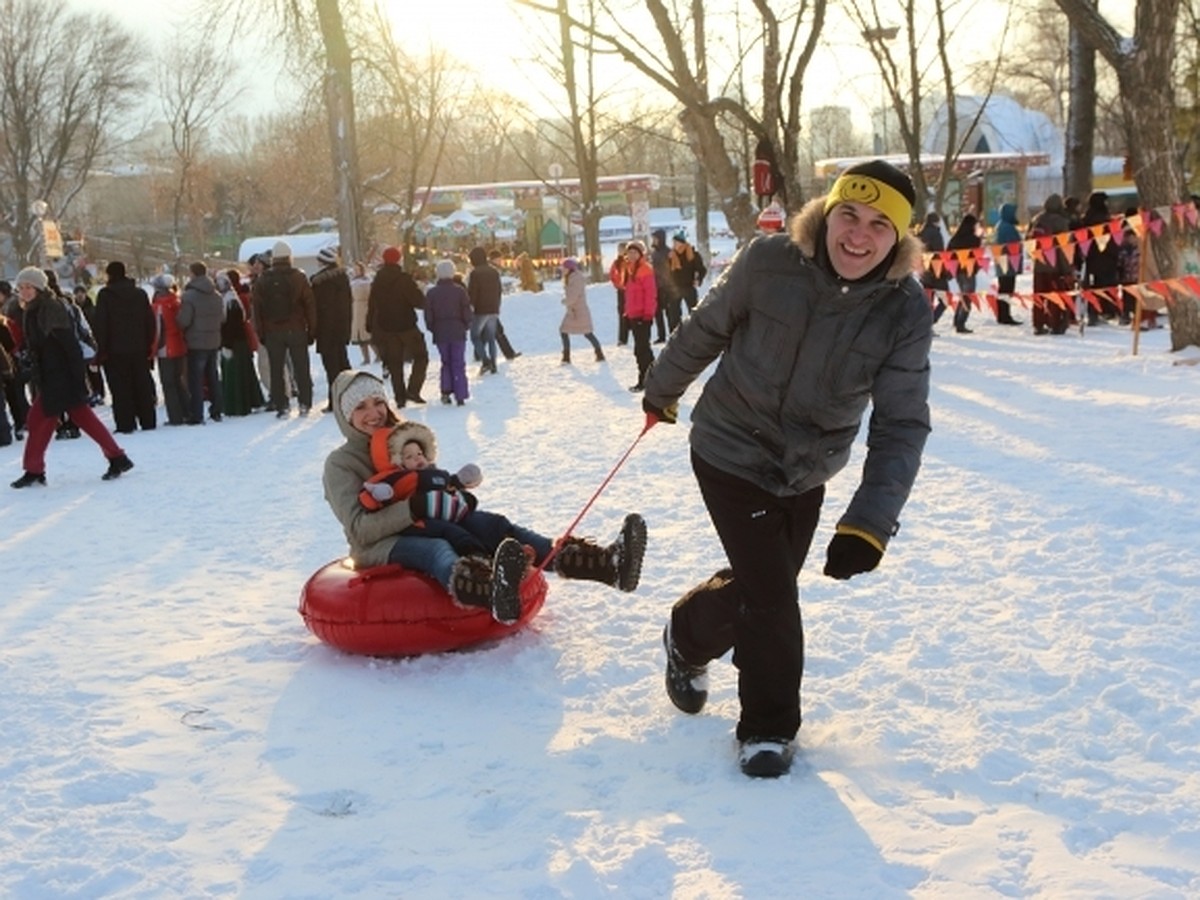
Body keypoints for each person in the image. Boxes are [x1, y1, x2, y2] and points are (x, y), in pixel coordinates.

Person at [642, 159, 932, 778]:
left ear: (900, 240)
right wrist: (662, 388)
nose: (858, 234)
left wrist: (870, 522)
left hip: (806, 468)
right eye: (848, 215)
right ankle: (767, 728)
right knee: (773, 596)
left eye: (880, 225)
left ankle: (687, 635)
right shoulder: (768, 261)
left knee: (761, 587)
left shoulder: (903, 310)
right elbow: (707, 327)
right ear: (825, 214)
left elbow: (901, 422)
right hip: (728, 449)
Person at [323, 370, 648, 624]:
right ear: (345, 415)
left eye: (378, 402)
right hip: (382, 545)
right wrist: (414, 508)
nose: (374, 412)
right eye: (361, 407)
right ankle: (492, 594)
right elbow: (359, 528)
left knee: (495, 526)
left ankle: (606, 565)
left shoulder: (401, 439)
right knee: (437, 549)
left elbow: (428, 480)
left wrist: (455, 496)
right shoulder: (340, 464)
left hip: (433, 520)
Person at [9, 267, 134, 487]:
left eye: (28, 287)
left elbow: (69, 346)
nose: (24, 291)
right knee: (70, 418)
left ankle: (34, 470)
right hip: (52, 375)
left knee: (39, 420)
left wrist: (77, 378)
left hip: (61, 376)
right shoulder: (33, 309)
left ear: (39, 287)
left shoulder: (50, 308)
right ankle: (117, 457)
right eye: (21, 288)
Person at [252, 241, 316, 417]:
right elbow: (309, 304)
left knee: (277, 369)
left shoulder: (263, 279)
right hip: (296, 328)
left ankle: (282, 406)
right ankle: (305, 403)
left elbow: (256, 308)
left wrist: (261, 332)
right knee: (301, 367)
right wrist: (312, 330)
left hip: (273, 331)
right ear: (289, 257)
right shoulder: (299, 276)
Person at [93, 260, 157, 432]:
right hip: (139, 348)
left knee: (120, 389)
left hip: (115, 351)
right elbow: (149, 322)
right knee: (142, 386)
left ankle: (125, 423)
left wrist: (101, 350)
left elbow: (101, 324)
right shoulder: (140, 294)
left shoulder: (105, 295)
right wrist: (148, 344)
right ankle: (148, 420)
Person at [366, 246, 429, 407]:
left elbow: (372, 305)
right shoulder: (404, 279)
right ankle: (413, 390)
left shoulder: (377, 281)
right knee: (421, 357)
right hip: (406, 325)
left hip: (386, 326)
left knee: (395, 364)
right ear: (398, 260)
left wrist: (370, 324)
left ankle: (400, 398)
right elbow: (419, 301)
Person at [177, 261, 225, 425]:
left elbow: (184, 320)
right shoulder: (217, 295)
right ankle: (217, 410)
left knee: (195, 380)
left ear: (192, 273)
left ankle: (196, 415)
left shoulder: (189, 296)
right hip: (214, 340)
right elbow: (223, 318)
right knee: (213, 376)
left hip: (196, 342)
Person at [310, 246, 353, 411]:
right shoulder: (343, 278)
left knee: (331, 368)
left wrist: (313, 331)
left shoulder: (318, 282)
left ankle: (335, 401)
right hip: (341, 329)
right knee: (343, 364)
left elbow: (315, 309)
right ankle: (351, 396)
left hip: (325, 330)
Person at [217, 270, 265, 416]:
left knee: (235, 376)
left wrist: (227, 345)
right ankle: (249, 402)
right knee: (244, 374)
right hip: (239, 342)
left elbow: (232, 325)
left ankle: (237, 407)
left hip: (234, 343)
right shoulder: (231, 298)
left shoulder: (230, 301)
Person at [424, 259, 471, 406]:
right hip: (457, 330)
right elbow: (467, 311)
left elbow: (428, 315)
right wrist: (465, 325)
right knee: (458, 362)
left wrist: (433, 328)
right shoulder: (459, 291)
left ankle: (446, 390)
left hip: (441, 331)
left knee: (446, 362)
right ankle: (460, 393)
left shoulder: (432, 293)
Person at [1028, 194, 1075, 335]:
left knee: (1039, 295)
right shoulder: (1060, 221)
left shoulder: (1036, 220)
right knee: (1055, 296)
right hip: (1055, 266)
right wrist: (1067, 268)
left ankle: (1038, 323)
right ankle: (1055, 323)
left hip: (1039, 264)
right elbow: (1064, 247)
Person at [150, 274, 190, 426]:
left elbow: (158, 330)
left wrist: (153, 350)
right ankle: (186, 411)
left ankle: (175, 416)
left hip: (165, 347)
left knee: (168, 383)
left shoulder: (158, 306)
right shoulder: (177, 301)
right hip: (180, 345)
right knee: (179, 381)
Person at [1081, 190, 1121, 325]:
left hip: (1091, 257)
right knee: (1105, 286)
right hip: (1105, 257)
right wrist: (1115, 253)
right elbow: (1109, 238)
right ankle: (1105, 311)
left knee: (1094, 287)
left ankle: (1095, 312)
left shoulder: (1087, 217)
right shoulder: (1102, 218)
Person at [622, 240, 657, 392]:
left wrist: (648, 314)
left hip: (643, 315)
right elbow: (629, 294)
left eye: (635, 252)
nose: (632, 255)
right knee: (641, 349)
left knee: (642, 349)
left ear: (641, 254)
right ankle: (653, 377)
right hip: (634, 315)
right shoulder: (630, 270)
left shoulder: (645, 270)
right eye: (629, 252)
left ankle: (646, 379)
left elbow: (650, 294)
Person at [559, 257, 605, 365]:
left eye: (564, 268)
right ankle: (598, 353)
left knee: (586, 333)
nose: (562, 270)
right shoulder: (572, 278)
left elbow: (572, 297)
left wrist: (565, 301)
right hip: (574, 311)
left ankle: (567, 357)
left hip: (578, 311)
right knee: (573, 332)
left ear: (569, 269)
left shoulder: (575, 279)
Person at [466, 246, 502, 375]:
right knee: (491, 337)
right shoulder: (494, 272)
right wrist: (497, 306)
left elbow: (472, 293)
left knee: (475, 336)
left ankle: (485, 361)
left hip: (480, 309)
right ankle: (494, 364)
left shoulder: (475, 273)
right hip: (493, 308)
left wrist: (470, 306)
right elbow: (499, 290)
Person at [947, 214, 980, 334]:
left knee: (963, 295)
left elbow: (948, 255)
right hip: (969, 271)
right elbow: (978, 256)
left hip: (958, 271)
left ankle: (957, 320)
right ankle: (961, 323)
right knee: (968, 297)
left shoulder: (954, 239)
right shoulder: (974, 240)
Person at [992, 203, 1023, 325]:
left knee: (1004, 289)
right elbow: (1013, 244)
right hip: (1008, 262)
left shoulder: (1000, 225)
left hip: (1003, 262)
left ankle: (1003, 314)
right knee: (1007, 289)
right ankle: (1005, 315)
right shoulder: (1007, 227)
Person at [918, 212, 951, 324]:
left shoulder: (921, 233)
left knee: (928, 300)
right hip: (937, 271)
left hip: (924, 270)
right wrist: (946, 272)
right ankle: (930, 322)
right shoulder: (936, 234)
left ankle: (926, 324)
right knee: (945, 300)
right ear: (935, 221)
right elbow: (940, 255)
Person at [668, 232, 707, 318]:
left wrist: (698, 279)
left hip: (688, 286)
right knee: (674, 314)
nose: (674, 245)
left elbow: (701, 269)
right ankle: (677, 330)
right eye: (673, 242)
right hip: (675, 288)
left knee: (693, 313)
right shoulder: (672, 255)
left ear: (682, 243)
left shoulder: (692, 254)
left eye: (676, 242)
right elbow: (668, 271)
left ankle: (695, 330)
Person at [649, 229, 675, 342]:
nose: (653, 240)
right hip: (656, 287)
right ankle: (661, 335)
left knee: (670, 313)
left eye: (655, 238)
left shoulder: (668, 252)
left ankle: (672, 333)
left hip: (667, 286)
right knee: (657, 312)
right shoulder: (653, 253)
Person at [349, 261, 373, 365]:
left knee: (367, 333)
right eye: (354, 270)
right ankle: (366, 358)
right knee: (359, 335)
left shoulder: (367, 281)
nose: (356, 271)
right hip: (355, 309)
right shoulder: (351, 282)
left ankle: (378, 355)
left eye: (358, 269)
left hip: (365, 307)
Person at [609, 242, 630, 347]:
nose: (620, 252)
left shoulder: (629, 261)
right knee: (622, 313)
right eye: (619, 250)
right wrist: (617, 284)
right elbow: (612, 275)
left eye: (622, 249)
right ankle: (622, 338)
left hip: (630, 291)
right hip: (621, 290)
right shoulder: (616, 262)